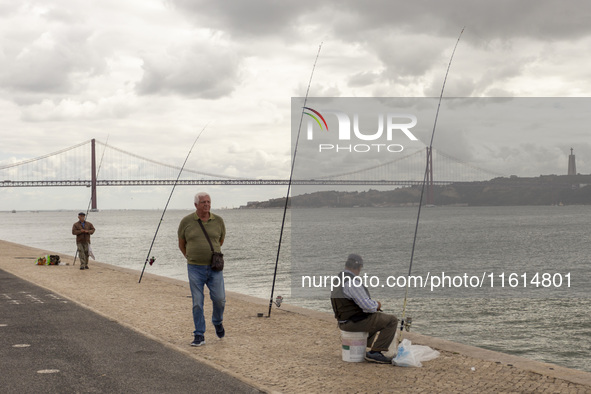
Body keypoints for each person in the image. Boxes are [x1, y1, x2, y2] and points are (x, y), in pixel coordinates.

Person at [330, 254, 399, 364]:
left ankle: (363, 347)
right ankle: (375, 352)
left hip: (342, 322)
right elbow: (367, 306)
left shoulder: (338, 279)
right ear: (358, 267)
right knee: (391, 320)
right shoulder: (352, 282)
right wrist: (377, 304)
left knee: (376, 319)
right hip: (353, 322)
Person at [178, 192, 226, 347]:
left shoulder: (218, 221)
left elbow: (220, 240)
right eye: (203, 202)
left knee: (219, 299)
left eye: (209, 202)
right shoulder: (186, 221)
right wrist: (190, 257)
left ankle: (217, 322)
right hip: (194, 268)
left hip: (214, 268)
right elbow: (181, 243)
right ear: (196, 205)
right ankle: (199, 334)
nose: (207, 204)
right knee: (197, 302)